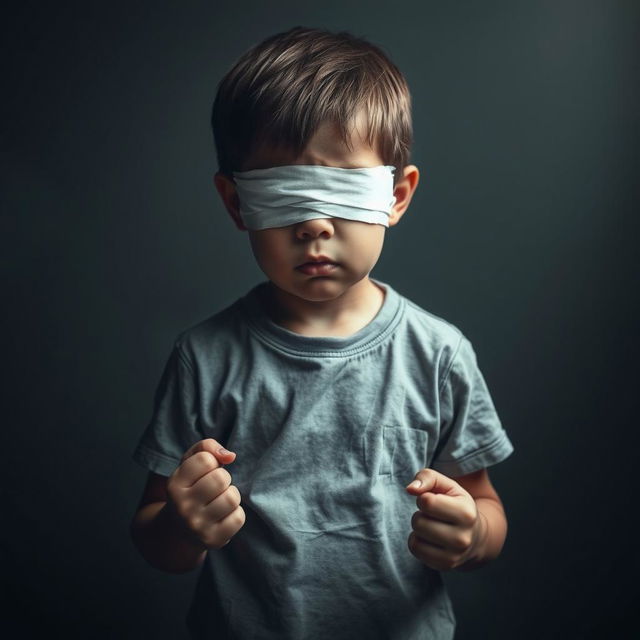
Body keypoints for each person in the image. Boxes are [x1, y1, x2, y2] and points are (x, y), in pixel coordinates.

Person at [129, 25, 515, 640]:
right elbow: (157, 537)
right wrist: (181, 525)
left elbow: (487, 512)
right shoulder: (203, 359)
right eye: (280, 192)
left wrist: (471, 535)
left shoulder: (439, 356)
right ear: (236, 204)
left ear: (396, 194)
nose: (313, 223)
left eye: (342, 188)